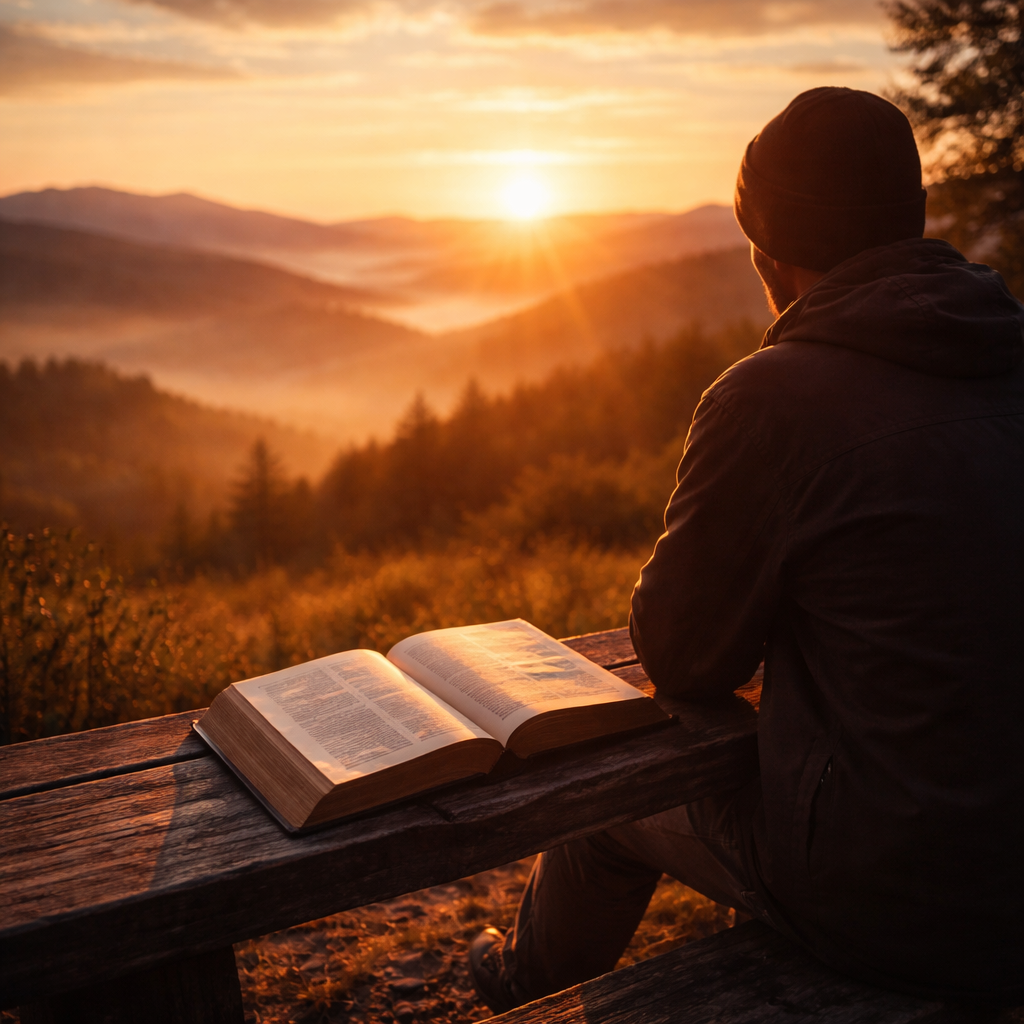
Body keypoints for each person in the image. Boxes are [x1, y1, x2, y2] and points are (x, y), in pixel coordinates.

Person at [468, 86, 1024, 1012]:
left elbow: (684, 657)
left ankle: (525, 988)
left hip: (913, 906)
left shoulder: (772, 398)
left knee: (606, 806)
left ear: (766, 248)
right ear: (916, 219)